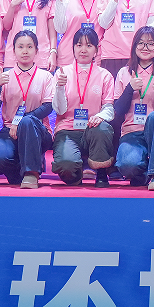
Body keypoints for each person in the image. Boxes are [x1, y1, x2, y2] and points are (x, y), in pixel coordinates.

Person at [111, 27, 154, 190]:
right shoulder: (124, 73)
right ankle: (144, 173)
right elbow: (118, 110)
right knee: (127, 165)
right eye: (141, 43)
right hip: (132, 132)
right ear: (134, 46)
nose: (145, 47)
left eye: (150, 44)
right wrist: (129, 89)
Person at [0, 31, 56, 188]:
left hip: (38, 131)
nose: (25, 51)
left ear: (37, 50)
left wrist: (21, 121)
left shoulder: (46, 77)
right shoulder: (5, 77)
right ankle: (19, 171)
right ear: (13, 50)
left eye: (29, 47)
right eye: (20, 47)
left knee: (28, 122)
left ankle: (31, 172)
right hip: (10, 131)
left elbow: (48, 107)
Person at [51, 27, 117, 187]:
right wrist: (60, 88)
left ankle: (101, 172)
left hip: (92, 129)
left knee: (103, 128)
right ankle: (77, 171)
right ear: (73, 48)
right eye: (79, 45)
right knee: (66, 167)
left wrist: (99, 116)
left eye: (89, 45)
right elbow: (59, 110)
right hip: (68, 130)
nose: (83, 50)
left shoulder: (105, 76)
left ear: (96, 50)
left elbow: (109, 108)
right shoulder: (62, 73)